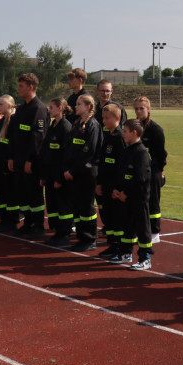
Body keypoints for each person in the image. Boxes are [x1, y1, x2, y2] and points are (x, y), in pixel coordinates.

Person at [8, 73, 48, 238]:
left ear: (30, 87)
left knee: (34, 193)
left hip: (31, 161)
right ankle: (28, 222)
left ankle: (38, 226)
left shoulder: (38, 108)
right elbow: (13, 134)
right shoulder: (22, 108)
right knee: (21, 193)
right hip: (18, 158)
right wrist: (11, 156)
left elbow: (38, 138)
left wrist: (30, 160)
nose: (18, 89)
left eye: (21, 86)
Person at [63, 94, 103, 251]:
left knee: (87, 207)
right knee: (77, 206)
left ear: (88, 107)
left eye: (79, 104)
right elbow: (70, 149)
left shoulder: (93, 125)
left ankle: (89, 238)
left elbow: (89, 151)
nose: (75, 106)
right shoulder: (76, 123)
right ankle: (81, 236)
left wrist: (73, 170)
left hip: (86, 173)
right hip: (74, 173)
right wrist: (67, 168)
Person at [113, 118, 154, 270]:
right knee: (127, 226)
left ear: (134, 133)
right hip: (125, 197)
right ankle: (125, 253)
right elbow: (120, 173)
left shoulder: (142, 153)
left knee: (142, 229)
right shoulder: (126, 150)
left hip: (138, 198)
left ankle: (145, 258)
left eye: (125, 131)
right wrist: (116, 189)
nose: (122, 133)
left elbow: (140, 178)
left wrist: (126, 193)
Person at [133, 96, 167, 242]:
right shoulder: (133, 127)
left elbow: (161, 155)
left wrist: (157, 171)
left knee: (153, 202)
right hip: (137, 172)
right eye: (136, 108)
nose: (139, 111)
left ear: (148, 109)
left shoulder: (156, 129)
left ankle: (154, 231)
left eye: (142, 108)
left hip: (152, 172)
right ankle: (140, 228)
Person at [41, 98, 74, 246]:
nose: (49, 110)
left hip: (59, 175)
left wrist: (60, 178)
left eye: (52, 107)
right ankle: (56, 232)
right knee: (52, 205)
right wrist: (44, 175)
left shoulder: (66, 127)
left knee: (63, 205)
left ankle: (64, 233)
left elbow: (66, 155)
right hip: (49, 173)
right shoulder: (52, 125)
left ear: (60, 108)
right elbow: (47, 150)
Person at [97, 104, 127, 261]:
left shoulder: (120, 138)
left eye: (107, 118)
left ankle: (121, 247)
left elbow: (121, 166)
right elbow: (103, 162)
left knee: (117, 217)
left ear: (117, 118)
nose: (104, 120)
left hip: (115, 186)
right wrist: (99, 183)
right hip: (106, 184)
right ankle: (112, 244)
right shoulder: (108, 135)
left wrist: (117, 187)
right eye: (103, 118)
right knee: (108, 217)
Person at [0, 95, 18, 231]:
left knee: (10, 194)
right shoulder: (1, 122)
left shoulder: (13, 121)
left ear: (9, 106)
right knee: (0, 193)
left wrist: (9, 160)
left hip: (7, 165)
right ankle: (3, 218)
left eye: (1, 104)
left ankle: (11, 221)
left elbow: (13, 144)